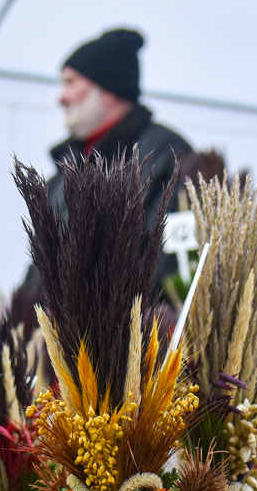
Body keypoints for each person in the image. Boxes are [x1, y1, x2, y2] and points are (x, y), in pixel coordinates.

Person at [13, 28, 193, 321]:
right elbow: (40, 266)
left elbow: (171, 270)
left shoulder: (165, 157)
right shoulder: (67, 167)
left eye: (71, 82)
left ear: (109, 91)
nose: (62, 97)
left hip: (125, 343)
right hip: (51, 342)